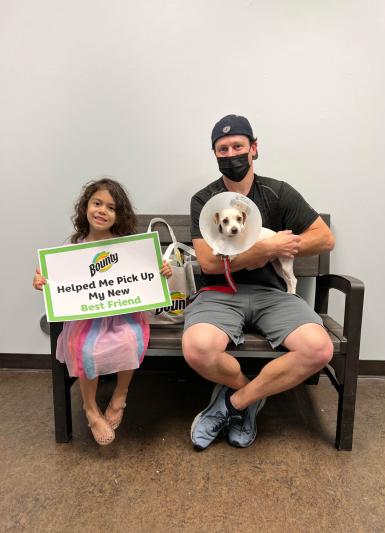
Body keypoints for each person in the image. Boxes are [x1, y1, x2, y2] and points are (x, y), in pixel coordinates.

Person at [183, 115, 335, 450]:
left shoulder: (277, 192)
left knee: (319, 349)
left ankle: (234, 403)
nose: (231, 153)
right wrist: (263, 250)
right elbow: (208, 262)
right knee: (197, 348)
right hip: (220, 292)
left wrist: (283, 246)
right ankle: (251, 396)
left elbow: (324, 238)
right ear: (215, 154)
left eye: (238, 146)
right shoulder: (204, 201)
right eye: (223, 149)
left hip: (272, 294)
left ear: (254, 148)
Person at [33, 177, 172, 446]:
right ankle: (90, 408)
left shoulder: (128, 247)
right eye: (97, 203)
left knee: (130, 341)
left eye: (110, 207)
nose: (102, 211)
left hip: (124, 315)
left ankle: (120, 395)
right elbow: (58, 284)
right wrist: (42, 282)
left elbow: (146, 279)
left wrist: (162, 272)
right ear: (86, 206)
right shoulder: (72, 249)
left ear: (118, 215)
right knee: (84, 349)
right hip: (86, 319)